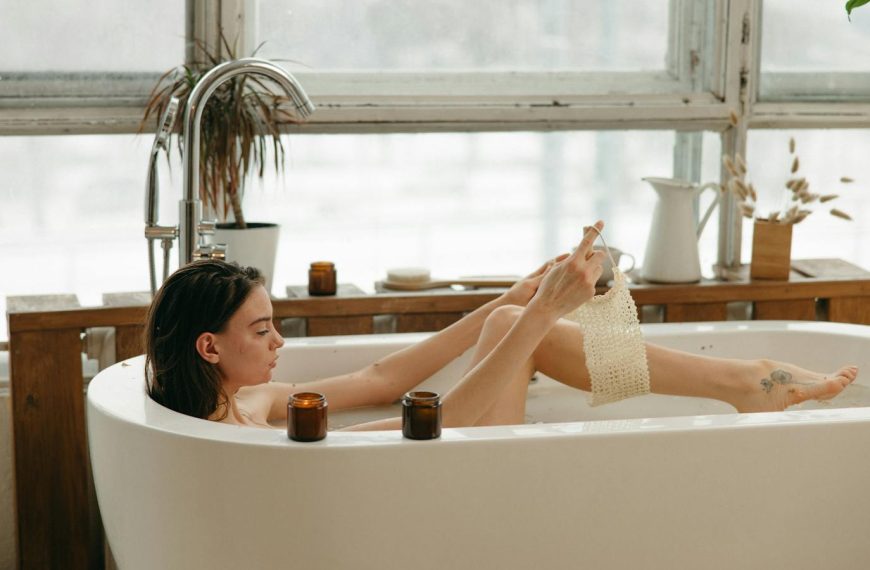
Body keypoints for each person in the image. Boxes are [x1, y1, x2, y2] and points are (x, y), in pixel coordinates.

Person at [144, 221, 859, 430]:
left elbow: (380, 377)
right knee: (531, 322)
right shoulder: (239, 426)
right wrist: (545, 306)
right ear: (209, 346)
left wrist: (511, 298)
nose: (279, 344)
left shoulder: (248, 402)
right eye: (262, 331)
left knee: (519, 318)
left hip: (441, 447)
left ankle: (741, 383)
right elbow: (442, 419)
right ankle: (742, 382)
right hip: (442, 465)